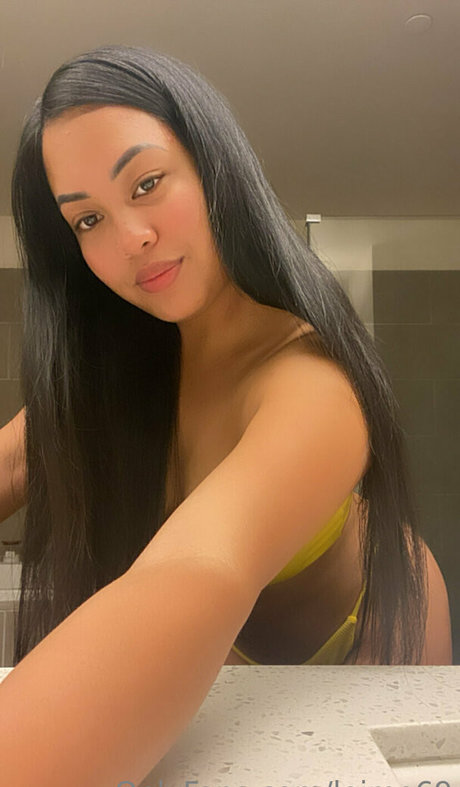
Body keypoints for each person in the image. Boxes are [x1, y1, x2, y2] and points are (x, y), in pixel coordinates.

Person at [0, 44, 451, 786]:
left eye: (147, 183)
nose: (130, 239)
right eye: (87, 220)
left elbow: (198, 567)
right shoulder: (117, 378)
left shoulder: (311, 382)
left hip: (375, 626)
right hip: (233, 655)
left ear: (214, 168)